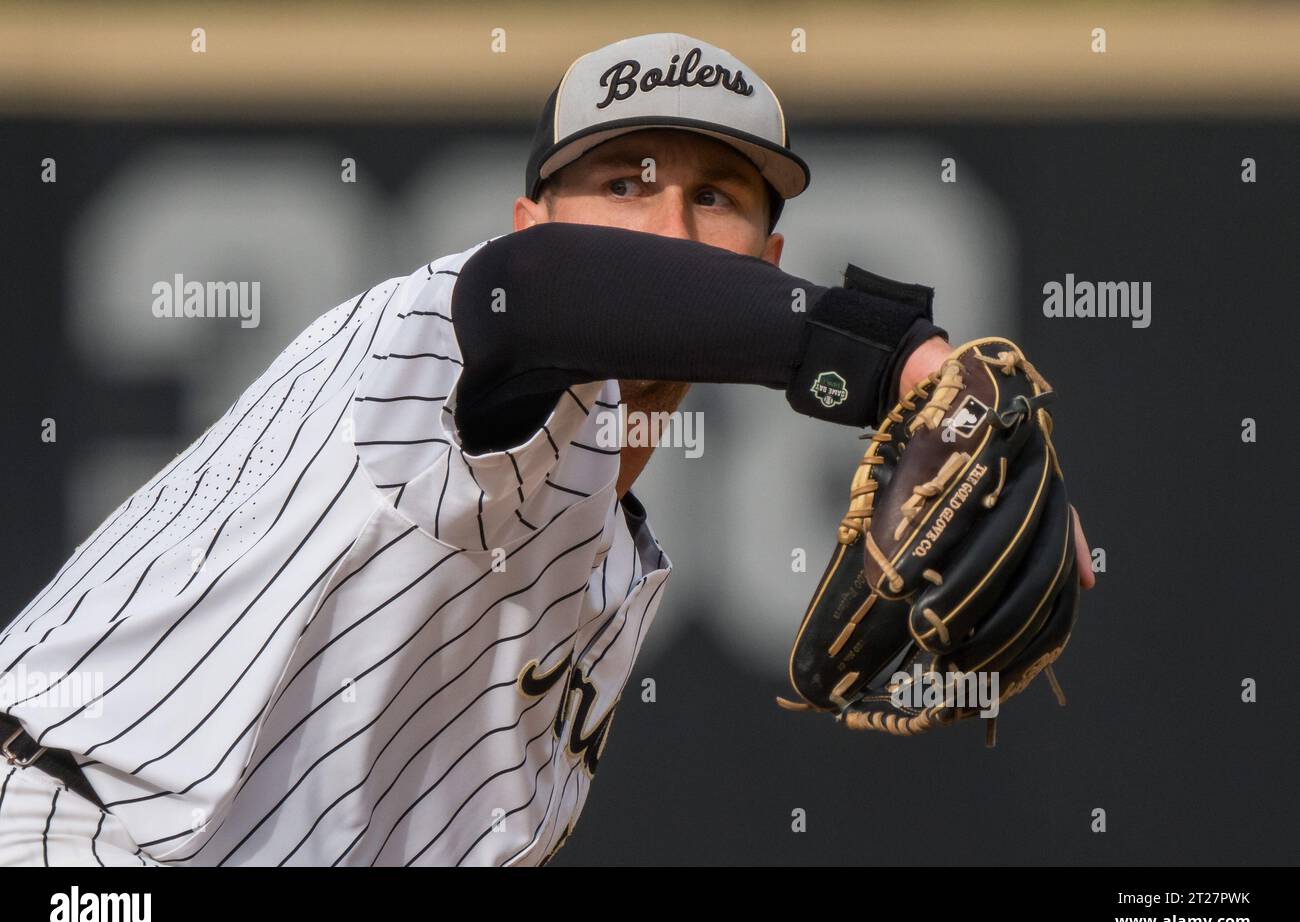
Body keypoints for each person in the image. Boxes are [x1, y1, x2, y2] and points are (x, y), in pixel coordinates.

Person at [0, 32, 1092, 867]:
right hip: (64, 833)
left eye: (713, 197)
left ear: (767, 256)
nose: (669, 230)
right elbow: (533, 301)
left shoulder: (611, 573)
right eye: (624, 183)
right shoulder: (435, 335)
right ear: (530, 223)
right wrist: (896, 354)